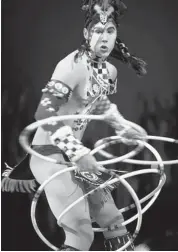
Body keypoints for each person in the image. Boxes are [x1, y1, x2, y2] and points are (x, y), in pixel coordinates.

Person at [2, 0, 148, 250]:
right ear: (86, 34)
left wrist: (122, 126)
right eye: (98, 31)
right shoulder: (70, 66)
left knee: (115, 223)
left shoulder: (109, 71)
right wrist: (76, 150)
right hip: (49, 155)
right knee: (80, 230)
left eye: (110, 30)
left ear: (116, 35)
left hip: (74, 157)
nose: (104, 37)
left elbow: (98, 103)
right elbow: (44, 112)